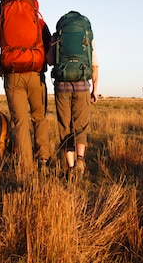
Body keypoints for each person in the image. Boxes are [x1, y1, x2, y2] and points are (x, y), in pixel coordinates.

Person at [0, 0, 52, 176]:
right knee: (39, 117)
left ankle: (26, 166)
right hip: (36, 75)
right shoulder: (39, 22)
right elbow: (48, 49)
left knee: (20, 121)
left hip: (13, 76)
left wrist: (3, 64)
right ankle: (43, 160)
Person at [47, 11, 98, 176]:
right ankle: (80, 161)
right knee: (81, 125)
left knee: (65, 125)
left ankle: (70, 168)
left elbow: (49, 60)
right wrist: (94, 90)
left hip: (62, 86)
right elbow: (95, 66)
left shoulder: (57, 37)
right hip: (82, 84)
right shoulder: (88, 38)